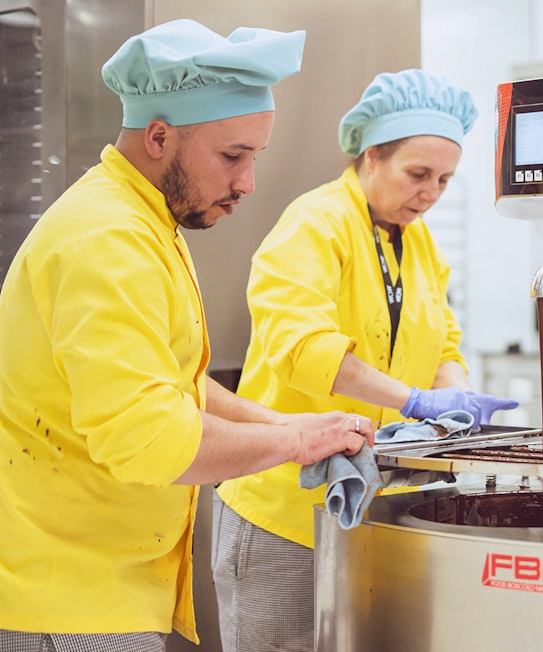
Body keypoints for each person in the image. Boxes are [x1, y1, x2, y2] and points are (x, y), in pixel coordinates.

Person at [0, 19, 374, 652]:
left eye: (254, 158)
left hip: (108, 582)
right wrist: (295, 442)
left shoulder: (146, 222)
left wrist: (290, 427)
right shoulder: (108, 240)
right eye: (233, 156)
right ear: (158, 136)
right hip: (71, 597)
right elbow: (150, 438)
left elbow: (178, 385)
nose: (248, 183)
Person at [212, 68, 518, 651]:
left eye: (445, 180)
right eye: (418, 174)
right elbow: (304, 348)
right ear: (371, 155)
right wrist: (414, 401)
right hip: (286, 507)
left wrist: (453, 399)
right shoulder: (315, 224)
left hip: (382, 504)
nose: (431, 193)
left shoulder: (419, 242)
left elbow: (444, 343)